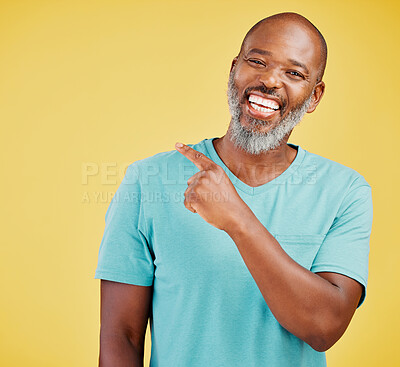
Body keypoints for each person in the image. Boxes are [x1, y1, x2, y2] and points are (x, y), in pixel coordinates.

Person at [94, 12, 373, 367]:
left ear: (314, 96)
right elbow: (121, 336)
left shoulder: (345, 191)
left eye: (295, 73)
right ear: (233, 70)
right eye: (257, 61)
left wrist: (236, 217)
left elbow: (324, 328)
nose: (269, 80)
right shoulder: (147, 180)